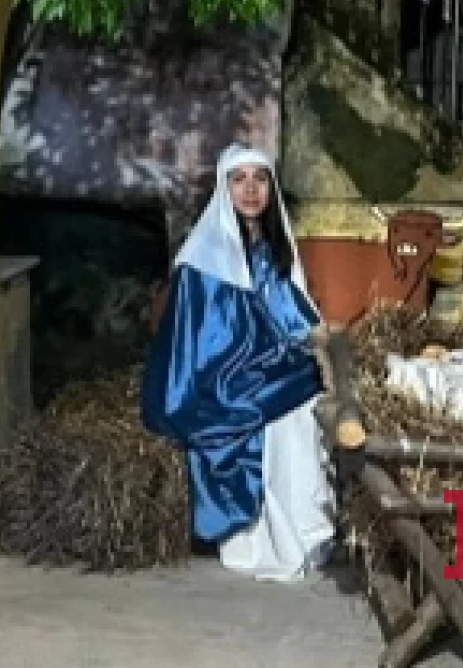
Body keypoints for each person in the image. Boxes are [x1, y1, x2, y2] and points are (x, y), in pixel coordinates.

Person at [141, 143, 335, 582]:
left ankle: (305, 530)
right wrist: (267, 358)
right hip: (215, 382)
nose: (250, 189)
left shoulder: (270, 249)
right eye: (239, 179)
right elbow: (203, 344)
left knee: (305, 401)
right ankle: (263, 539)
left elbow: (291, 315)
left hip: (258, 372)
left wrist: (307, 343)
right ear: (224, 189)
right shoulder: (203, 260)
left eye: (260, 179)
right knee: (286, 403)